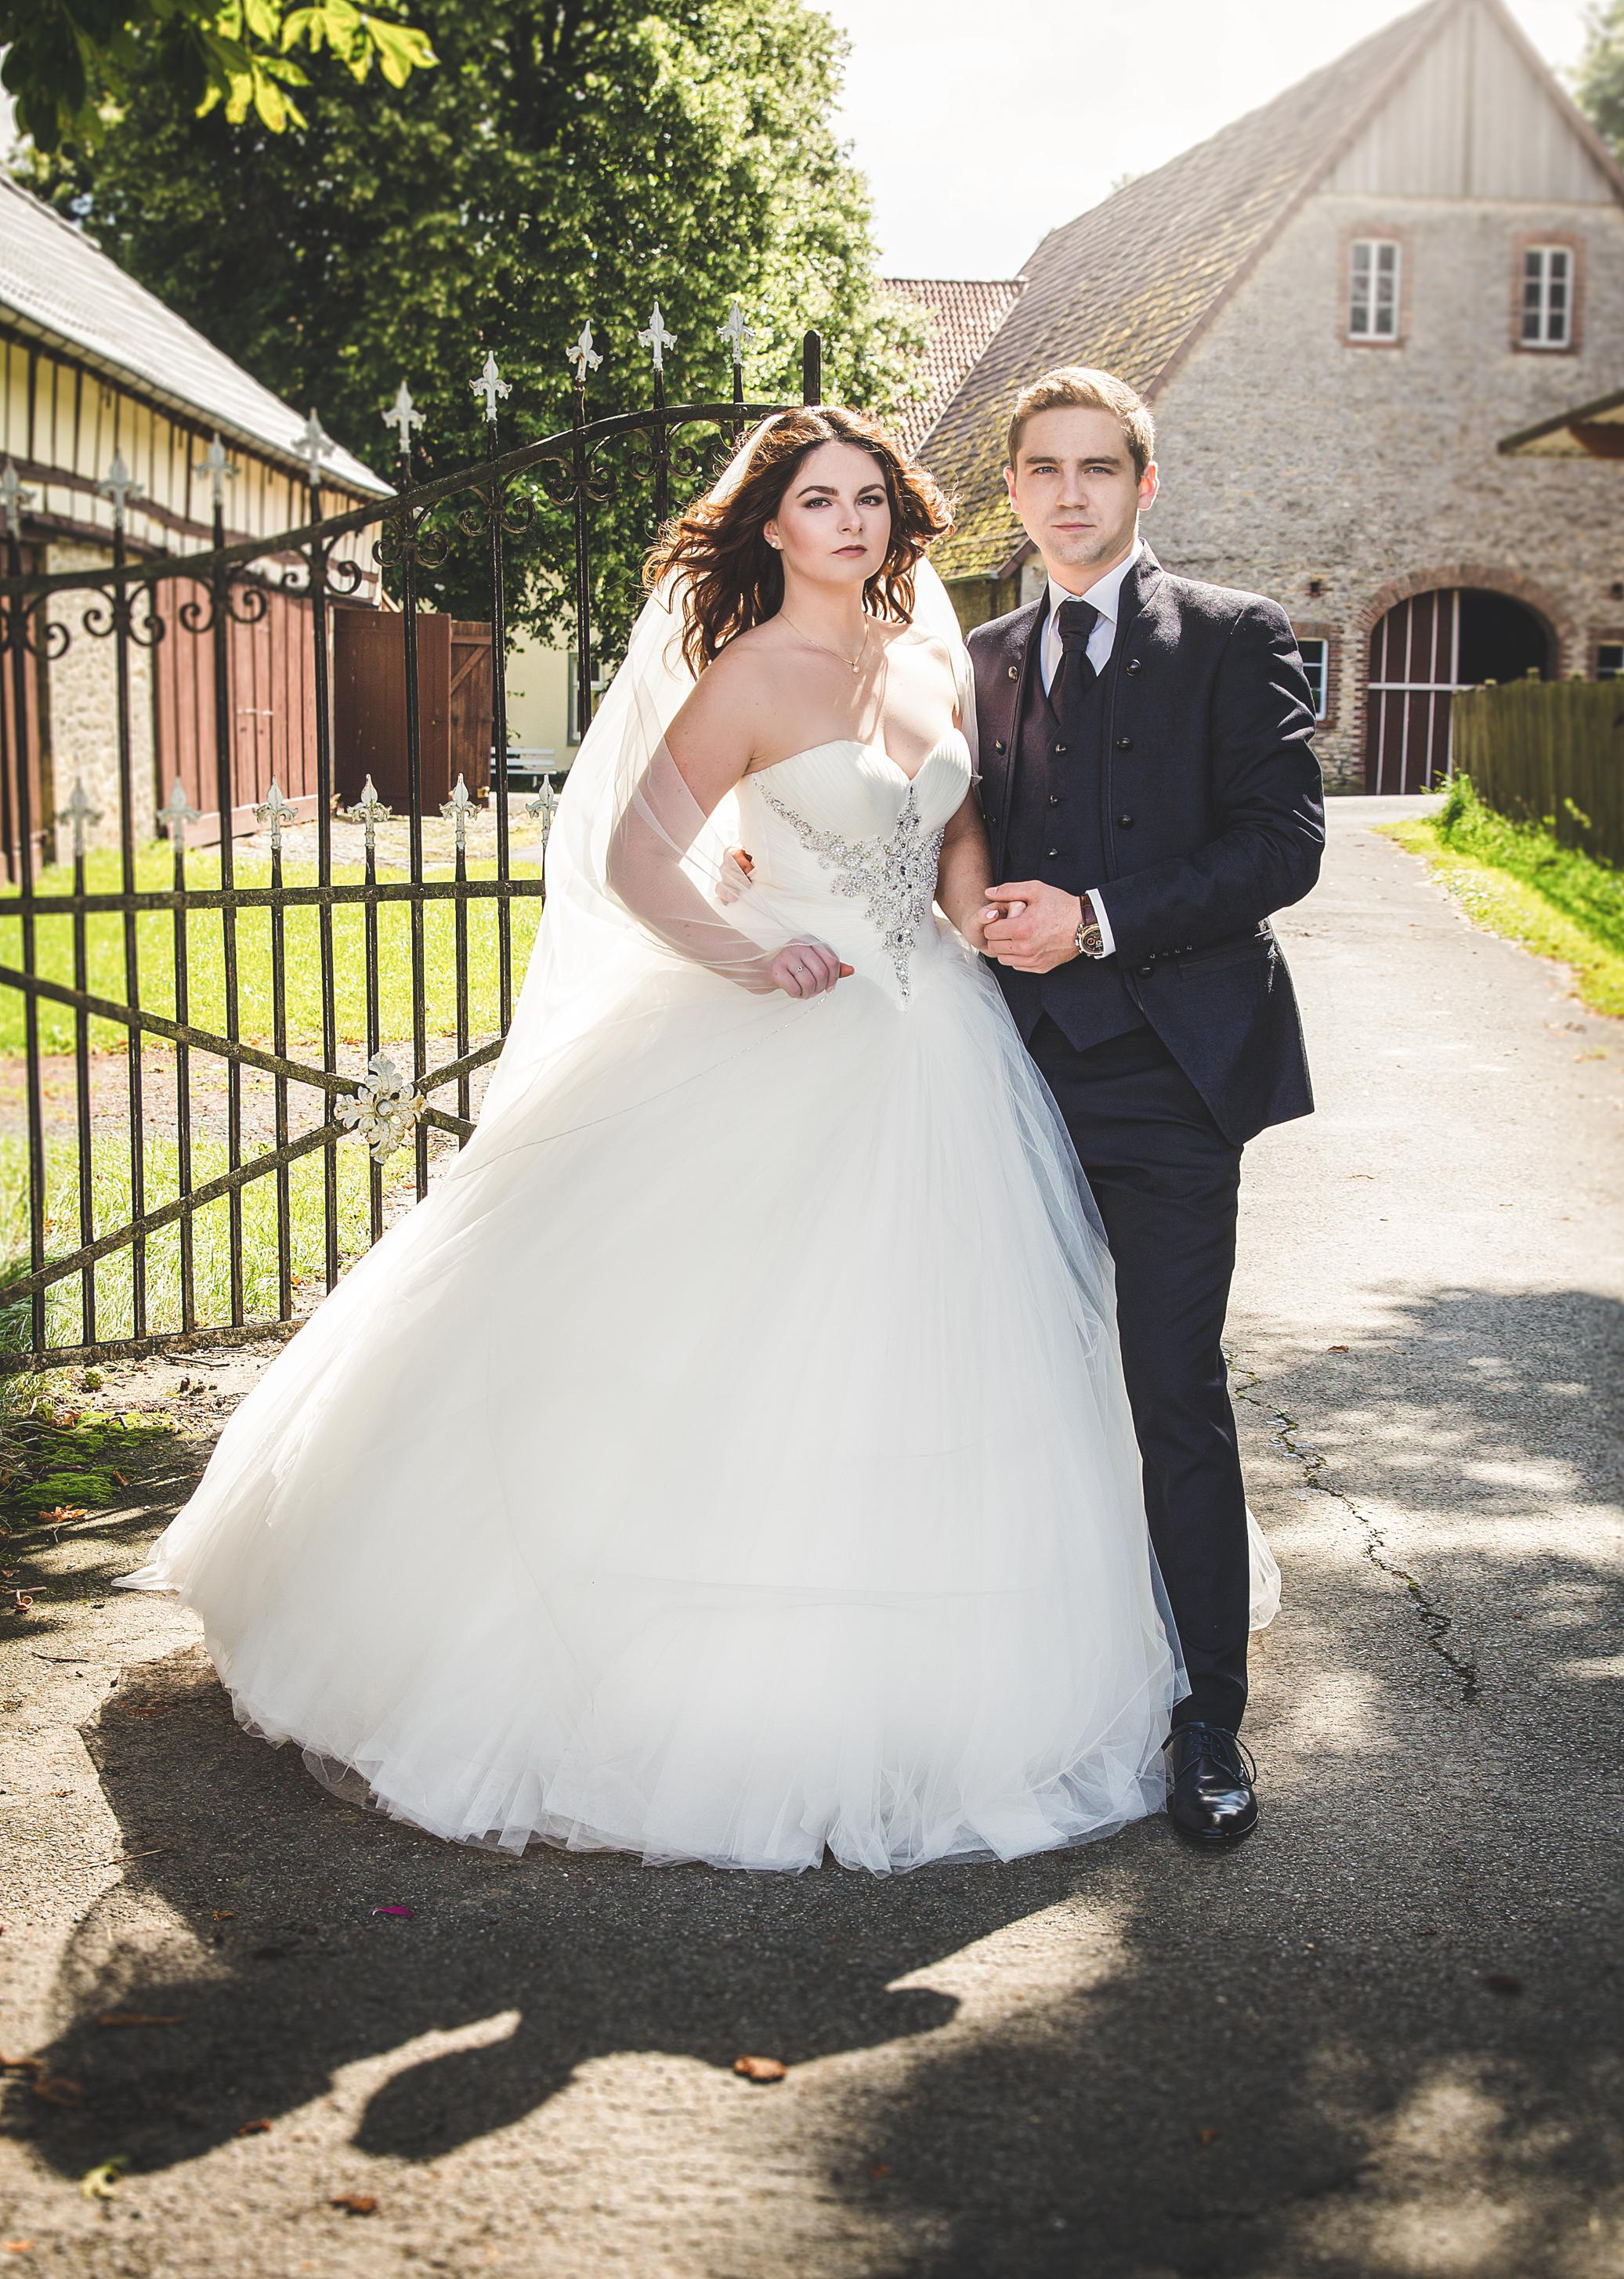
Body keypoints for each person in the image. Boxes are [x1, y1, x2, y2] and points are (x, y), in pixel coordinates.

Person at [114, 406, 1209, 1876]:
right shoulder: (748, 673)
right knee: (733, 1342)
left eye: (870, 498)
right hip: (791, 1018)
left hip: (939, 1034)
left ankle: (927, 1663)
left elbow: (955, 835)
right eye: (818, 500)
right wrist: (745, 952)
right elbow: (633, 849)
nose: (851, 521)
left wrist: (976, 923)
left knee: (944, 1341)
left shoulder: (935, 658)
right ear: (771, 525)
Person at [970, 367, 1324, 1847]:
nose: (1069, 493)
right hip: (998, 1074)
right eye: (1043, 469)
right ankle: (1016, 1683)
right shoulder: (975, 654)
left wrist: (1099, 919)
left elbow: (1284, 846)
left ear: (1143, 484)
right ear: (1012, 491)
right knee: (1003, 1394)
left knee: (1170, 1389)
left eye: (1097, 468)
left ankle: (1209, 1720)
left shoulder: (1234, 636)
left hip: (1170, 1077)